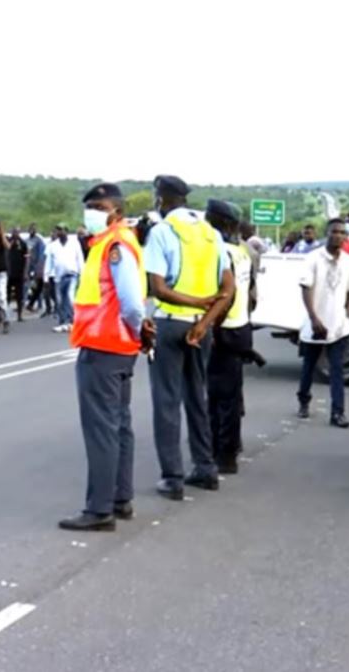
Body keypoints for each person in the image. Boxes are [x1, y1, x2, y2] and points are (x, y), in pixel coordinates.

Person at [59, 183, 154, 532]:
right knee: (119, 426)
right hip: (118, 347)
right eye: (89, 206)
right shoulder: (113, 243)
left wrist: (138, 326)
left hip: (103, 347)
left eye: (98, 206)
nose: (92, 212)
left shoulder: (115, 245)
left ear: (115, 210)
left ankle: (100, 509)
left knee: (102, 430)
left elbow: (130, 302)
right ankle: (119, 498)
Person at [144, 175, 235, 500]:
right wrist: (204, 321)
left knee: (166, 400)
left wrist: (194, 304)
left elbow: (158, 288)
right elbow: (228, 289)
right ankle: (205, 468)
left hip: (169, 324)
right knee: (198, 396)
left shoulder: (162, 232)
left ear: (162, 198)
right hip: (200, 328)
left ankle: (172, 477)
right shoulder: (211, 234)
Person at [205, 200, 260, 475]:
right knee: (232, 395)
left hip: (222, 328)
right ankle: (230, 446)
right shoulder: (242, 252)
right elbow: (251, 294)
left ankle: (223, 455)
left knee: (218, 397)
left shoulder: (218, 252)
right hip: (241, 328)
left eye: (209, 218)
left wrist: (214, 328)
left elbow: (226, 295)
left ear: (221, 223)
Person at [296, 218, 349, 428]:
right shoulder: (313, 258)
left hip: (338, 326)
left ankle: (338, 412)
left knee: (337, 369)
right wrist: (314, 319)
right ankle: (304, 400)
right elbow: (306, 288)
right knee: (309, 366)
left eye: (342, 232)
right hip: (316, 323)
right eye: (334, 232)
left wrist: (346, 317)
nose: (338, 236)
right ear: (327, 233)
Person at [47, 223, 85, 333]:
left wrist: (82, 274)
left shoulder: (74, 244)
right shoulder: (53, 246)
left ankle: (73, 321)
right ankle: (63, 322)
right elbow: (49, 262)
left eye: (61, 230)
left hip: (72, 275)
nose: (59, 232)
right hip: (58, 276)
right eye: (58, 230)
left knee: (69, 297)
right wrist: (46, 276)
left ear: (66, 231)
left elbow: (80, 259)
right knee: (59, 300)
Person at [7, 225, 29, 322]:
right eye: (14, 231)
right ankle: (3, 315)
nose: (15, 233)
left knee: (19, 295)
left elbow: (27, 258)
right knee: (5, 295)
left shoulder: (23, 243)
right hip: (8, 273)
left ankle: (19, 315)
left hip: (19, 273)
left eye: (17, 232)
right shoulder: (7, 242)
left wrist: (25, 272)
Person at [26, 223, 47, 312]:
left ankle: (39, 304)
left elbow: (41, 255)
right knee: (31, 286)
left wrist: (39, 267)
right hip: (28, 266)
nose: (32, 230)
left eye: (34, 229)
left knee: (38, 285)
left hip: (36, 266)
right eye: (30, 229)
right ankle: (28, 304)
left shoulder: (39, 241)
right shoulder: (26, 240)